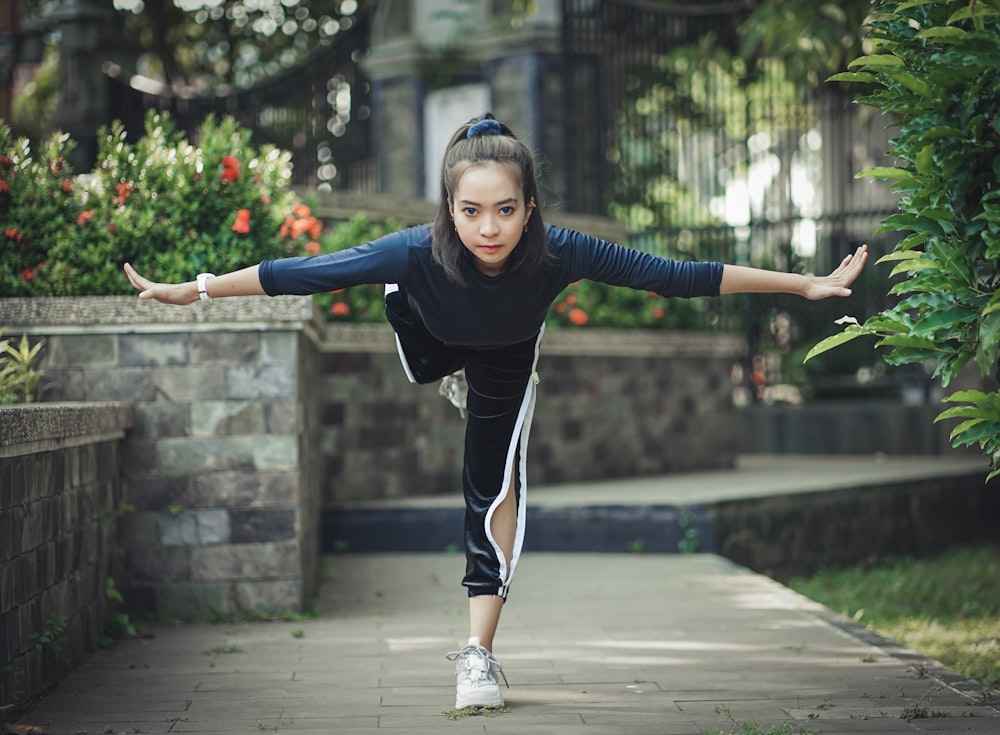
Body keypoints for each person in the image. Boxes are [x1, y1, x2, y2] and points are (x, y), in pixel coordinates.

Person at [123, 112, 868, 710]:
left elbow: (677, 275)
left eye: (505, 210)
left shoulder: (558, 251)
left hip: (507, 360)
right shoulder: (414, 251)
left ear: (529, 207)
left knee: (493, 491)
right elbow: (302, 273)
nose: (489, 228)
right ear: (450, 208)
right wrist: (195, 289)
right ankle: (432, 351)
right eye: (472, 210)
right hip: (429, 336)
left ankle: (478, 655)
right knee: (418, 346)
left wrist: (803, 285)